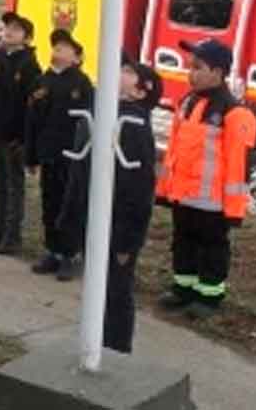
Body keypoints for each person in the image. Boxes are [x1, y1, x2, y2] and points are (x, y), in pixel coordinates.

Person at [59, 56, 161, 354]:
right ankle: (95, 344)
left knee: (116, 292)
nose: (118, 71)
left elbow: (140, 189)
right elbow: (79, 174)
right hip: (91, 219)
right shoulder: (100, 114)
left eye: (128, 72)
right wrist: (70, 217)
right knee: (96, 289)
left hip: (117, 228)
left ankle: (116, 352)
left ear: (140, 92)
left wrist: (128, 241)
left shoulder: (133, 125)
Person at [157, 39, 256, 319]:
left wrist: (234, 209)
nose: (191, 73)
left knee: (212, 248)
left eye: (198, 68)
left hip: (213, 204)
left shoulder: (235, 113)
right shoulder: (188, 102)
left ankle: (209, 295)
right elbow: (174, 153)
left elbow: (238, 167)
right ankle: (183, 288)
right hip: (184, 196)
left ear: (218, 72)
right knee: (183, 243)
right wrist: (165, 190)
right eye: (191, 67)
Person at [25, 29, 93, 279]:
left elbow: (88, 125)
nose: (57, 52)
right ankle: (52, 251)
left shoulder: (82, 84)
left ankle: (70, 253)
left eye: (64, 48)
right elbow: (32, 121)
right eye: (55, 47)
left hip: (72, 158)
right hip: (48, 154)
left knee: (70, 206)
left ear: (77, 57)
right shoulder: (42, 82)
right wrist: (31, 156)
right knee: (50, 204)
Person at [0, 12, 42, 254]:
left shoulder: (29, 64)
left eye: (16, 29)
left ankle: (12, 235)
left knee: (14, 183)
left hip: (14, 135)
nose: (9, 32)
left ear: (26, 37)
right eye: (7, 27)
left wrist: (25, 138)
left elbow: (31, 107)